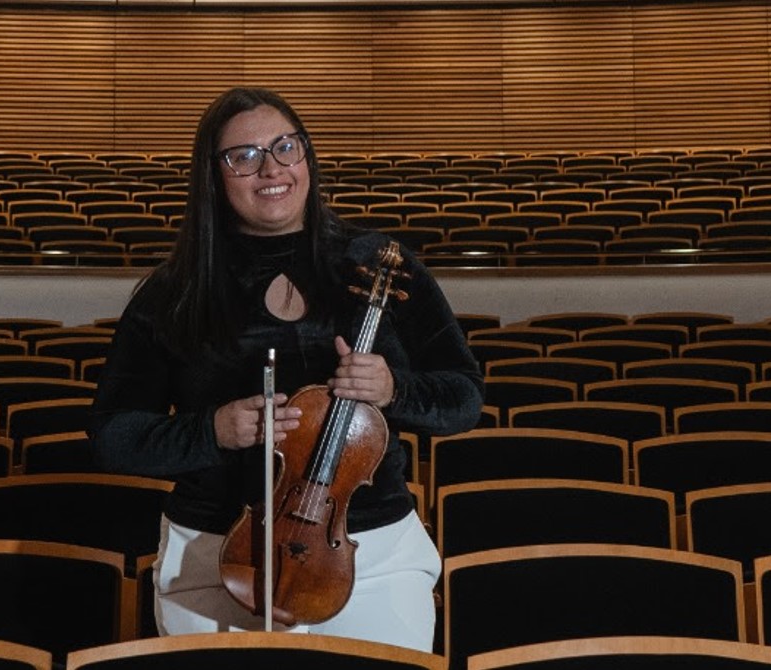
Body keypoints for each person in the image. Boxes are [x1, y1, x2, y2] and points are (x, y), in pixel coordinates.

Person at [90, 86, 483, 652]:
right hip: (216, 556)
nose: (270, 169)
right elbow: (112, 435)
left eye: (285, 147)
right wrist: (214, 430)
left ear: (307, 156)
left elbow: (463, 396)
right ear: (214, 175)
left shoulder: (378, 263)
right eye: (243, 156)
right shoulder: (174, 291)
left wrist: (394, 390)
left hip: (367, 552)